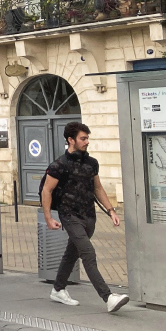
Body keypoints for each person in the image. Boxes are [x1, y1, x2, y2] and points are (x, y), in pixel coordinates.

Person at [42, 122, 129, 313]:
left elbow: (98, 188)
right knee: (88, 253)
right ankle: (108, 297)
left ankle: (58, 289)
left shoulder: (92, 163)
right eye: (83, 138)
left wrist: (111, 210)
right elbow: (47, 191)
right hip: (69, 215)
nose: (87, 142)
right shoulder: (58, 165)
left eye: (87, 138)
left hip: (89, 216)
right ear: (70, 140)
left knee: (71, 253)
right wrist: (48, 217)